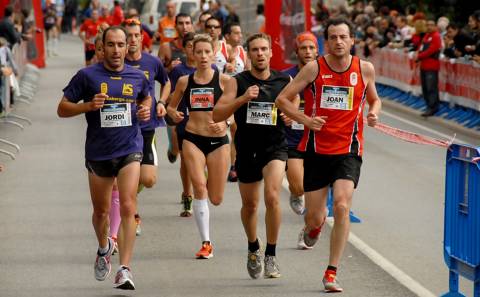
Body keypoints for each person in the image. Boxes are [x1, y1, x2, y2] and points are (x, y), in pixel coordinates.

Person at [275, 18, 381, 293]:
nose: (338, 42)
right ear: (327, 41)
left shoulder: (364, 68)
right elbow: (283, 99)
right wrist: (304, 120)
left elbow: (375, 99)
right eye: (332, 37)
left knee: (343, 206)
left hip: (349, 149)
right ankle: (313, 228)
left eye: (343, 37)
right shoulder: (314, 68)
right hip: (317, 150)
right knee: (314, 217)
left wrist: (373, 113)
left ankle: (331, 272)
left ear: (352, 40)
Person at [57, 26, 152, 290]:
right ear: (103, 47)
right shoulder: (86, 76)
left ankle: (125, 268)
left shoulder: (136, 76)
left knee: (128, 205)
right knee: (100, 212)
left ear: (128, 47)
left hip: (129, 148)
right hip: (99, 152)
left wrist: (145, 110)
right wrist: (88, 106)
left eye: (121, 44)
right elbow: (62, 109)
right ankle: (104, 246)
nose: (117, 50)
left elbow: (146, 97)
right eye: (111, 44)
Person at [213, 33, 293, 279]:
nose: (260, 53)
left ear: (270, 53)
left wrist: (290, 117)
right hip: (247, 148)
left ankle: (271, 254)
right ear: (249, 54)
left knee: (272, 196)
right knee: (250, 205)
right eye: (255, 50)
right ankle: (252, 247)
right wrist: (243, 99)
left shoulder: (284, 79)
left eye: (264, 49)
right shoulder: (238, 82)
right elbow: (217, 114)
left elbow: (294, 101)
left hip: (275, 147)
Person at [167, 34, 231, 259]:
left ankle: (208, 176)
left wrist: (225, 121)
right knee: (199, 187)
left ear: (214, 53)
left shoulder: (225, 81)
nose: (203, 56)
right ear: (191, 54)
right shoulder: (185, 81)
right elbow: (171, 107)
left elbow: (235, 111)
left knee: (216, 198)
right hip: (192, 138)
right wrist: (172, 113)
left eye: (207, 52)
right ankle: (206, 243)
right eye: (199, 52)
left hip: (218, 142)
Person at [123, 18, 169, 236]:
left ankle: (132, 195)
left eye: (135, 35)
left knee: (148, 179)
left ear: (142, 38)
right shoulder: (117, 63)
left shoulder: (152, 62)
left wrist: (161, 102)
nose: (132, 39)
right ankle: (133, 213)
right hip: (122, 129)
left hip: (147, 126)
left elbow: (166, 82)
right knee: (125, 178)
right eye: (128, 36)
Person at [282, 32, 318, 216]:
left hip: (317, 137)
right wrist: (285, 114)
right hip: (293, 138)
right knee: (300, 186)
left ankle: (313, 217)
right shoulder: (285, 76)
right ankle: (296, 194)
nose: (307, 51)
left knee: (314, 185)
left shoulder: (324, 74)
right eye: (303, 48)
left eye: (311, 47)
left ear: (317, 51)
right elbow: (277, 101)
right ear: (296, 51)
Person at [168, 32, 196, 216]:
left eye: (198, 46)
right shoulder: (178, 71)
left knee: (200, 163)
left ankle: (200, 181)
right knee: (186, 161)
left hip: (206, 124)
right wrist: (173, 108)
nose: (195, 50)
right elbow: (170, 96)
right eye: (190, 46)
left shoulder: (212, 70)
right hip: (184, 122)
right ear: (184, 49)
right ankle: (187, 195)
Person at [223, 22, 248, 182]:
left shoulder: (243, 52)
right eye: (236, 33)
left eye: (240, 33)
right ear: (227, 36)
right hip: (220, 95)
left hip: (237, 96)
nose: (239, 36)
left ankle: (234, 166)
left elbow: (247, 71)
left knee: (235, 131)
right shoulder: (218, 49)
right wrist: (226, 67)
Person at [414, 19, 442, 117]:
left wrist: (419, 56)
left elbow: (431, 50)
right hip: (424, 66)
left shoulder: (436, 36)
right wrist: (417, 53)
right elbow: (421, 47)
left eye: (431, 25)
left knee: (431, 87)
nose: (429, 27)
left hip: (432, 66)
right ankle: (428, 106)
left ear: (435, 26)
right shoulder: (426, 36)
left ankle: (433, 107)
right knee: (425, 87)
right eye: (428, 25)